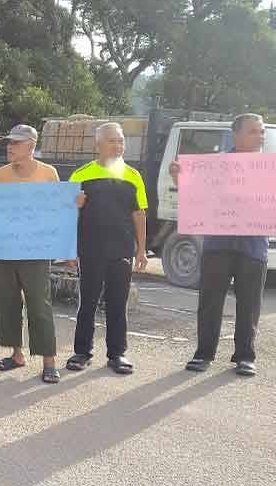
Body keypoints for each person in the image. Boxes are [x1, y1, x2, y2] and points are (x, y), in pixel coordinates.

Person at [0, 124, 84, 384]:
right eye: (9, 142)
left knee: (39, 304)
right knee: (7, 301)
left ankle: (49, 361)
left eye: (16, 142)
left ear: (32, 146)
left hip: (36, 250)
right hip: (6, 249)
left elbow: (58, 209)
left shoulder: (48, 173)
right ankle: (16, 354)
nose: (10, 147)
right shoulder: (0, 174)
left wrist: (73, 205)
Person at [171, 113, 268, 377]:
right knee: (211, 301)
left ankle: (245, 357)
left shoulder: (269, 169)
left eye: (261, 132)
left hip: (253, 246)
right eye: (253, 131)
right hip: (218, 244)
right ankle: (203, 354)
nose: (260, 136)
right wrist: (178, 177)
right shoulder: (214, 167)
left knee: (250, 304)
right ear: (235, 135)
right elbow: (192, 196)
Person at [66, 122, 148, 375]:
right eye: (112, 140)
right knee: (87, 303)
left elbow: (139, 214)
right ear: (98, 145)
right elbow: (67, 213)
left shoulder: (133, 176)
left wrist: (141, 250)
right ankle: (82, 352)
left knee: (118, 304)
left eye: (121, 140)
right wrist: (69, 248)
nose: (118, 145)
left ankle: (117, 354)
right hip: (90, 249)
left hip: (121, 249)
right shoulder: (81, 175)